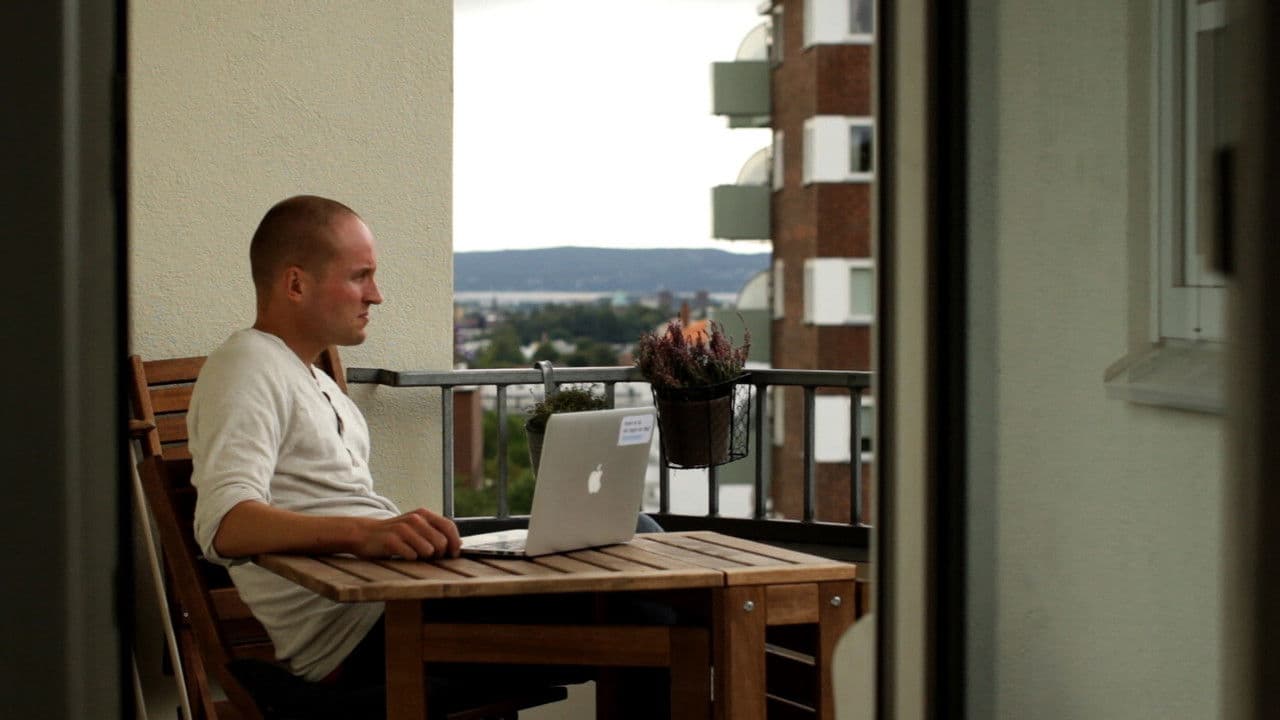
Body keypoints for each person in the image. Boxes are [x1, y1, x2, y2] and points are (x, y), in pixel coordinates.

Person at [189, 195, 668, 716]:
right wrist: (366, 534)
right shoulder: (246, 365)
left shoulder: (316, 381)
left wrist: (394, 536)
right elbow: (225, 525)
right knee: (654, 611)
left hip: (405, 592)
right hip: (368, 630)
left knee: (635, 538)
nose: (376, 295)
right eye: (360, 276)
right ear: (296, 284)